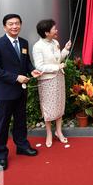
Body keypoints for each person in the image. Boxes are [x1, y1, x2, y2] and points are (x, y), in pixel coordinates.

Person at [0, 14, 42, 171]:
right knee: (3, 124)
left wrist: (33, 71)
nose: (14, 26)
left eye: (17, 23)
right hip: (4, 93)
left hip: (21, 91)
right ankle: (1, 155)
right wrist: (15, 77)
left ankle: (22, 146)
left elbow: (26, 63)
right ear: (5, 27)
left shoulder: (23, 43)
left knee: (20, 121)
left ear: (21, 25)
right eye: (10, 24)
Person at [32, 19, 71, 148]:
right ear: (46, 32)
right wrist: (57, 67)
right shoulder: (38, 47)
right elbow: (39, 66)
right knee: (48, 107)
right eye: (54, 29)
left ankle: (58, 131)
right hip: (47, 80)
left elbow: (58, 59)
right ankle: (48, 133)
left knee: (59, 104)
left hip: (59, 78)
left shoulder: (55, 42)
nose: (56, 30)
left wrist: (65, 50)